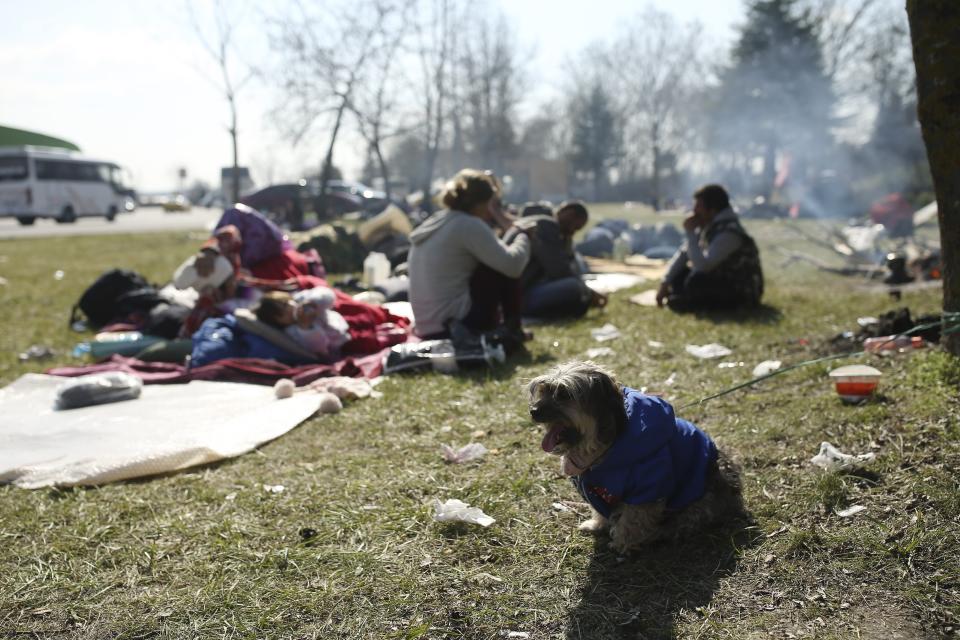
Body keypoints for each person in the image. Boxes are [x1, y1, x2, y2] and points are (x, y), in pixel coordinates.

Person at [407, 169, 531, 344]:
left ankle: (509, 328)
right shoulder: (468, 224)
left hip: (428, 327)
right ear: (483, 202)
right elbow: (513, 266)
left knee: (496, 258)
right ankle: (513, 329)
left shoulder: (439, 220)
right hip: (454, 326)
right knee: (499, 265)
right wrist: (522, 235)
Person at [656, 184, 763, 311]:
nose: (694, 211)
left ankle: (688, 302)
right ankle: (685, 299)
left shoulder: (729, 233)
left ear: (712, 210)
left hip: (742, 290)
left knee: (696, 281)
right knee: (680, 274)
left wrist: (691, 234)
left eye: (698, 207)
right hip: (720, 280)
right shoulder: (710, 226)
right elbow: (685, 253)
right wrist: (665, 283)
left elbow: (703, 267)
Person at [504, 200, 606, 319]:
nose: (572, 230)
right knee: (574, 286)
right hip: (519, 296)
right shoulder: (546, 226)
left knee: (577, 286)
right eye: (574, 224)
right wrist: (589, 293)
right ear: (566, 212)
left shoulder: (540, 222)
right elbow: (559, 271)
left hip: (516, 292)